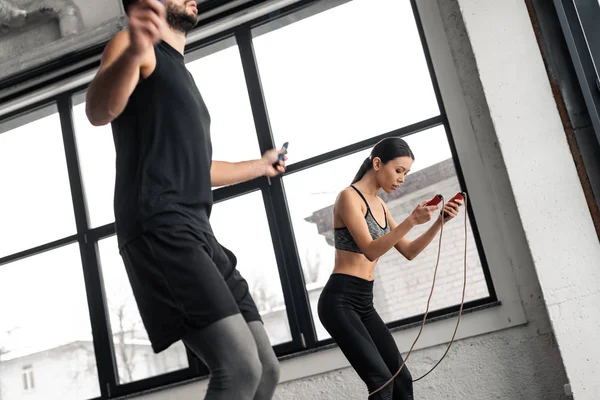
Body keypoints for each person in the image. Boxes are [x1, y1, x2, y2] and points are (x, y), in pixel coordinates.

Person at [85, 1, 283, 398]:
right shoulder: (132, 45)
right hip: (159, 224)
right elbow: (98, 110)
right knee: (239, 366)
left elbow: (199, 168)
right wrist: (137, 47)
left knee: (265, 369)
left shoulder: (179, 72)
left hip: (198, 229)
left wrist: (260, 166)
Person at [317, 137, 463, 400]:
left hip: (364, 301)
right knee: (382, 381)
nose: (402, 179)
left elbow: (408, 251)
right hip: (339, 301)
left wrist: (439, 222)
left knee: (401, 379)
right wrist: (410, 220)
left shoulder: (381, 205)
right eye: (398, 171)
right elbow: (370, 249)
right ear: (377, 163)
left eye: (406, 174)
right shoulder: (349, 197)